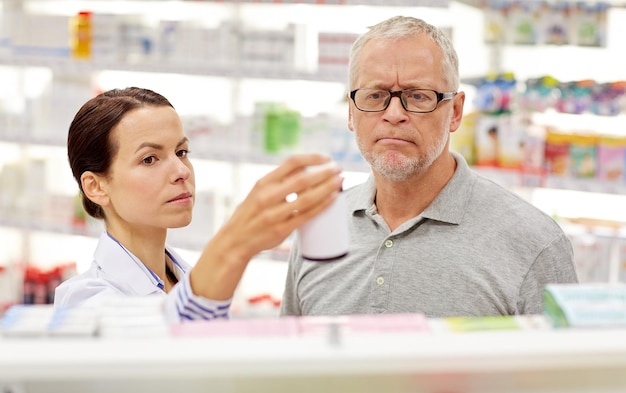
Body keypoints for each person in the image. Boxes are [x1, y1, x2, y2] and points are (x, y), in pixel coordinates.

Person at [281, 16, 578, 318]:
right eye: (375, 95)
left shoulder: (533, 242)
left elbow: (569, 364)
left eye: (418, 96)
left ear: (455, 112)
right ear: (350, 112)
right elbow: (289, 357)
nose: (394, 114)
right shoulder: (320, 225)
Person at [54, 87, 343, 323]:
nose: (181, 171)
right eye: (149, 159)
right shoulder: (84, 302)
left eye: (181, 151)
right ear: (96, 186)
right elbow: (161, 354)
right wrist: (234, 245)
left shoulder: (186, 276)